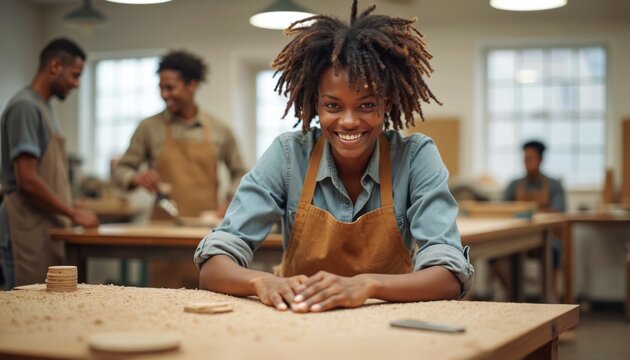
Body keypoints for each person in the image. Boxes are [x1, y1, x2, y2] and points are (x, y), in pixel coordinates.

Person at [194, 0, 474, 313]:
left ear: (389, 101)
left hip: (387, 320)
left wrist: (368, 285)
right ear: (315, 103)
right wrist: (261, 282)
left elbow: (450, 277)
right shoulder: (289, 155)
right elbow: (214, 266)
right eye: (333, 106)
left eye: (367, 105)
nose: (349, 121)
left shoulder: (416, 157)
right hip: (298, 320)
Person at [112, 50, 246, 288]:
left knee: (207, 298)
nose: (165, 95)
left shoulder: (219, 129)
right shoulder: (149, 128)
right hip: (163, 235)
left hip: (206, 234)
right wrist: (136, 178)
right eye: (161, 88)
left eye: (171, 87)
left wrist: (229, 202)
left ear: (191, 85)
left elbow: (241, 173)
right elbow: (122, 169)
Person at [0, 38, 99, 290]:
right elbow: (27, 179)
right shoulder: (25, 107)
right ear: (55, 66)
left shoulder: (43, 109)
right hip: (24, 225)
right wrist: (72, 213)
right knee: (23, 304)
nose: (76, 84)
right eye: (75, 76)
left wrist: (69, 204)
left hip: (44, 224)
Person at [503, 140, 565, 212]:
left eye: (531, 159)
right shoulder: (514, 185)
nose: (527, 163)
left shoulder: (554, 185)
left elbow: (559, 210)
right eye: (525, 159)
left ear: (540, 160)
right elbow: (502, 207)